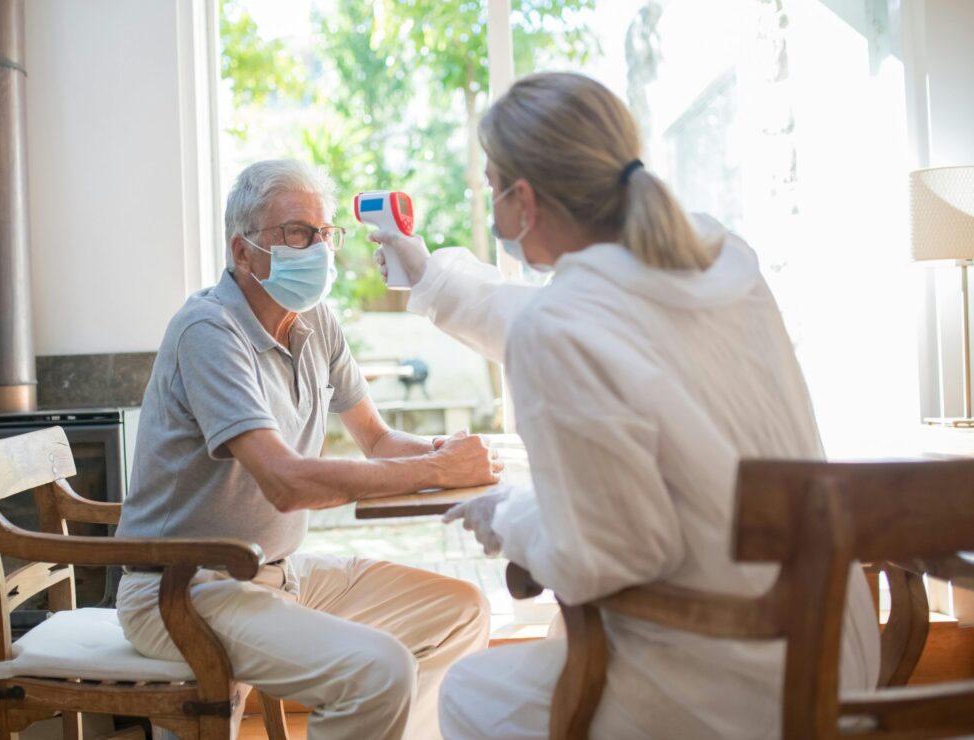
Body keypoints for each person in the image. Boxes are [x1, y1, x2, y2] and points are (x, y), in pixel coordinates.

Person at [369, 72, 879, 739]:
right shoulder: (724, 263)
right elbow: (557, 314)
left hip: (729, 682)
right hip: (837, 655)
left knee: (470, 692)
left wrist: (509, 517)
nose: (490, 207)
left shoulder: (560, 328)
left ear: (523, 201)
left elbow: (604, 560)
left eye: (491, 187)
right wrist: (430, 275)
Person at [115, 159, 501, 740]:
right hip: (180, 590)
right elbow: (285, 482)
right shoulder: (208, 331)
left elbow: (377, 440)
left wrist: (447, 452)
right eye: (296, 232)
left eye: (323, 233)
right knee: (379, 670)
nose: (317, 248)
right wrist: (436, 467)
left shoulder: (315, 320)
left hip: (276, 572)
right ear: (242, 253)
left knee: (462, 610)